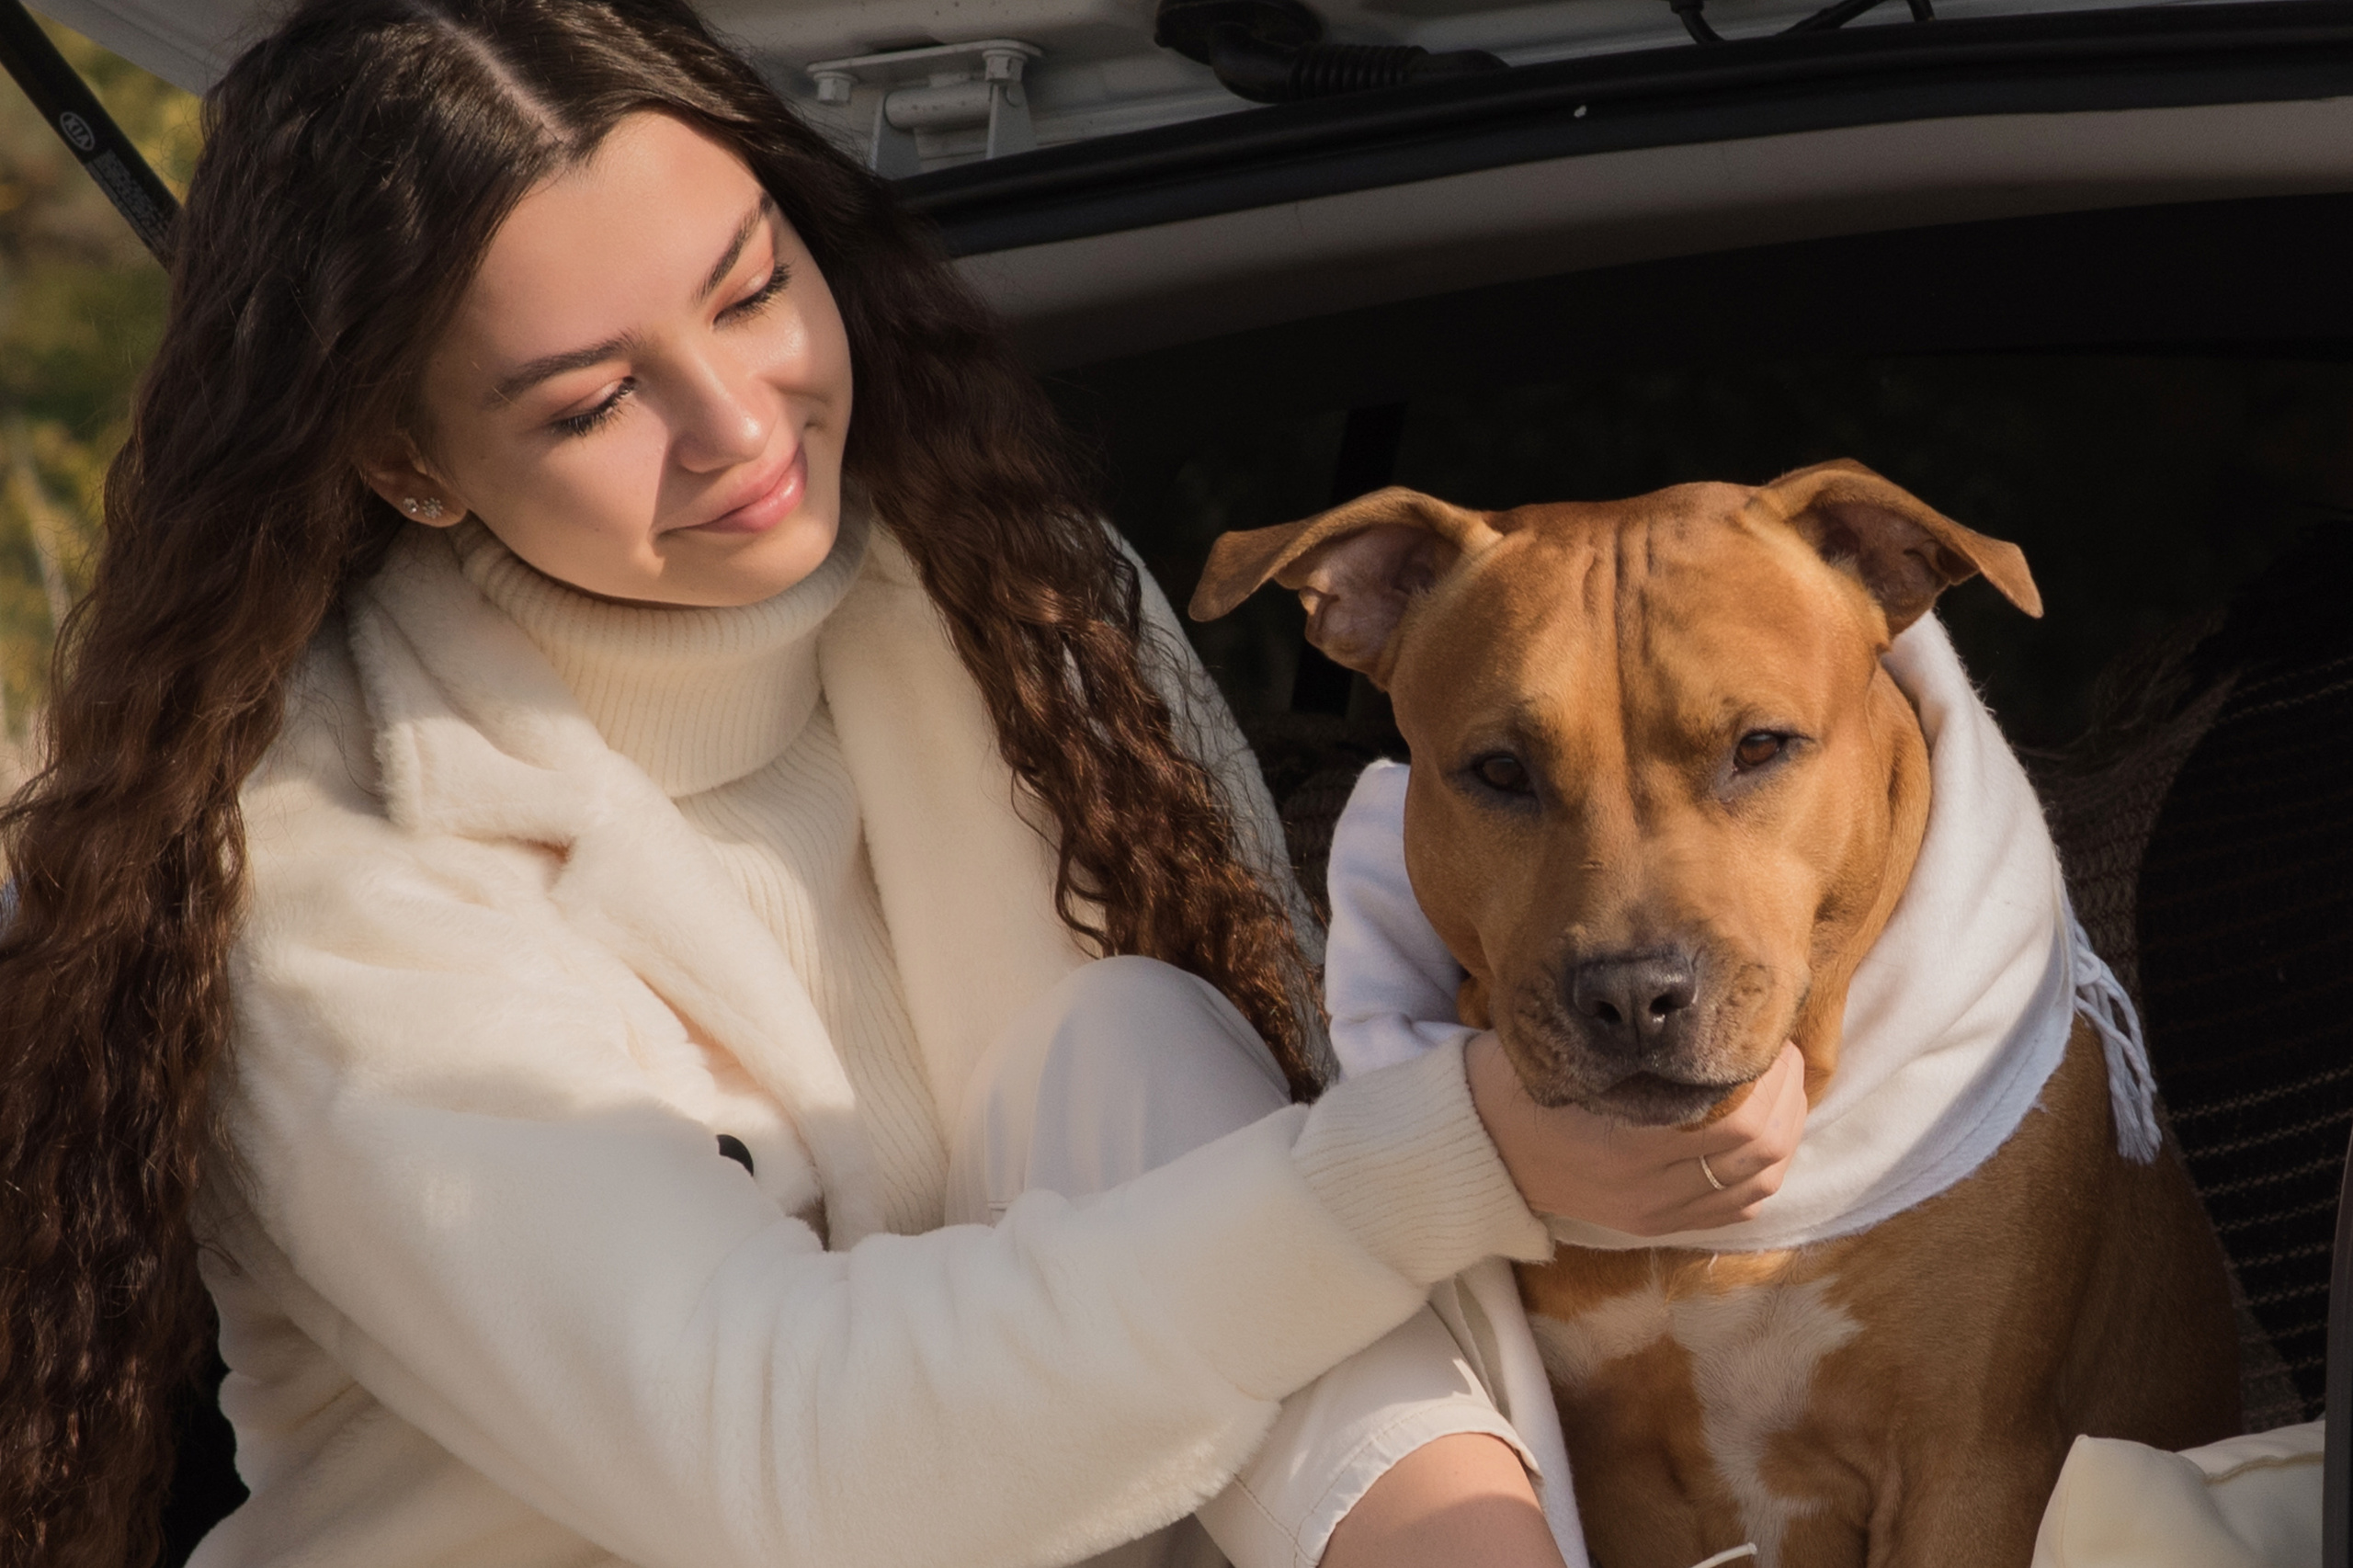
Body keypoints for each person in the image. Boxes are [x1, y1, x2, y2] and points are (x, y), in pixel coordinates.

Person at [0, 4, 1806, 1565]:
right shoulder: (334, 871)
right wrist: (1448, 1158)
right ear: (407, 461)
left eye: (751, 289)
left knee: (1129, 1039)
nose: (738, 425)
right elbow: (784, 1459)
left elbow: (1195, 1179)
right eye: (588, 401)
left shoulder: (1010, 603)